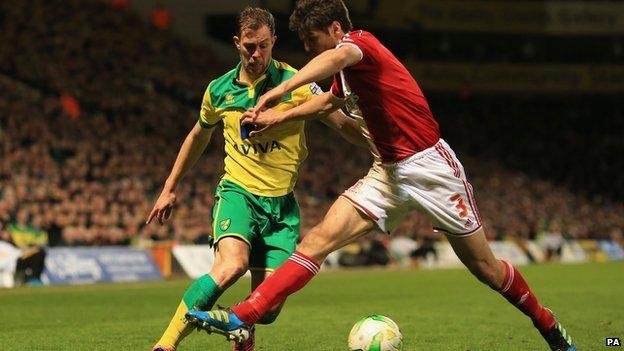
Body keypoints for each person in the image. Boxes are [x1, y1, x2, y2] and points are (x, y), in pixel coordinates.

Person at [187, 1, 576, 350]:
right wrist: (278, 115)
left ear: (337, 29)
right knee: (318, 240)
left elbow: (334, 61)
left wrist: (281, 89)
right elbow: (328, 102)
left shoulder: (360, 44)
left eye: (312, 39)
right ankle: (242, 315)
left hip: (430, 168)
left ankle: (547, 323)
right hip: (387, 172)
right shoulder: (346, 71)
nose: (308, 49)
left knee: (486, 269)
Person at [147, 7, 363, 351]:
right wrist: (169, 188)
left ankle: (239, 326)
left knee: (269, 310)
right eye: (249, 46)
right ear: (237, 43)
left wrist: (383, 143)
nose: (256, 54)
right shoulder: (218, 90)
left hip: (282, 206)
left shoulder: (298, 82)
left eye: (263, 46)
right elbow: (197, 136)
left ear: (274, 42)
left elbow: (341, 124)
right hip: (238, 193)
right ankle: (165, 344)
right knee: (230, 266)